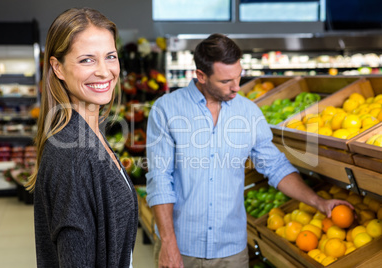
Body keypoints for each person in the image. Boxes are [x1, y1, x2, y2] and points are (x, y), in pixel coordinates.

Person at [145, 33, 353, 268]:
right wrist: (169, 243)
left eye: (238, 77)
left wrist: (318, 202)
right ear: (201, 76)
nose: (236, 88)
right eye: (225, 81)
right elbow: (160, 180)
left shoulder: (248, 112)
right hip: (181, 248)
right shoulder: (167, 109)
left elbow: (275, 167)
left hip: (231, 251)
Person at [25, 8, 138, 267]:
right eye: (87, 60)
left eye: (110, 56)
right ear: (58, 68)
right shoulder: (73, 155)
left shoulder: (91, 134)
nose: (104, 71)